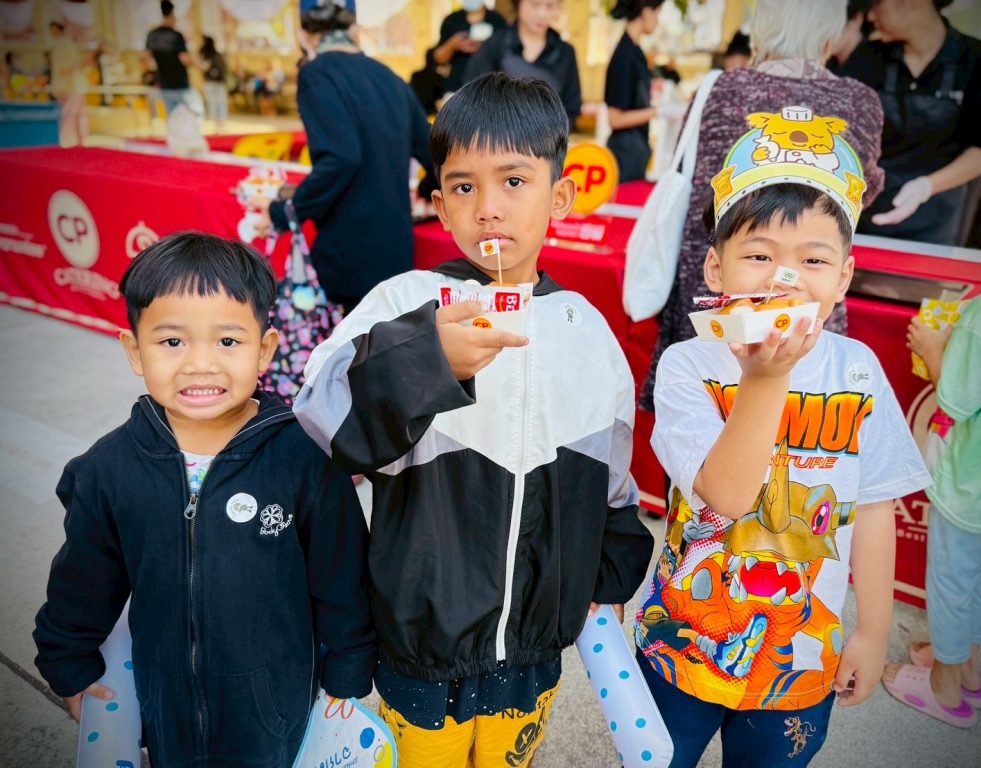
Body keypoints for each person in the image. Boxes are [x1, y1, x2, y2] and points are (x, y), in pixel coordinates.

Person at [293, 73, 654, 766]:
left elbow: (612, 477)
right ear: (438, 205)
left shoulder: (585, 329)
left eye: (514, 181)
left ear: (561, 195)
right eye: (463, 187)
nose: (488, 208)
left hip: (535, 650)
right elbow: (320, 417)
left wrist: (604, 579)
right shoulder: (406, 300)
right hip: (419, 647)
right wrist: (426, 359)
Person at [634, 111, 931, 767]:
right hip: (686, 636)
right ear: (716, 269)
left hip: (799, 653)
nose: (784, 278)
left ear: (844, 278)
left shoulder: (858, 370)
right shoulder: (688, 365)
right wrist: (765, 378)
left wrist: (872, 632)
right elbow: (724, 496)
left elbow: (874, 506)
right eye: (760, 255)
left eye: (813, 260)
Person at [33, 233, 375, 766]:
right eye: (172, 341)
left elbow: (341, 575)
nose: (200, 364)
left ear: (265, 349)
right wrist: (67, 664)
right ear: (134, 350)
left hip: (275, 708)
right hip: (164, 703)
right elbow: (83, 579)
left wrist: (350, 667)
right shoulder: (109, 470)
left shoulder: (302, 460)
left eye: (228, 341)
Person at [641, 0, 885, 415]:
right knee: (806, 415)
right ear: (831, 35)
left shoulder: (723, 89)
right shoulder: (861, 102)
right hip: (807, 287)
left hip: (729, 279)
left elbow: (699, 183)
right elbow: (859, 194)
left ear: (759, 32)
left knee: (704, 408)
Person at [884, 162, 981, 727]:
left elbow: (959, 400)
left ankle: (944, 687)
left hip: (970, 481)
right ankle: (965, 665)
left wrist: (933, 348)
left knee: (950, 579)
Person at [253, 3, 433, 314]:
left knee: (348, 340)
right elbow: (434, 149)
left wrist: (285, 211)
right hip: (395, 243)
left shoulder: (317, 73)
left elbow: (340, 158)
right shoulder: (387, 75)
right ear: (353, 32)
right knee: (384, 336)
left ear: (305, 36)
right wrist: (430, 188)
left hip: (349, 243)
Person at [840, 0, 981, 245]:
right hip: (862, 210)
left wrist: (926, 187)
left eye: (877, 3)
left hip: (934, 218)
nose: (871, 16)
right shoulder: (866, 56)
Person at [463, 0, 582, 129]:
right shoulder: (495, 44)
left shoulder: (565, 52)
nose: (542, 14)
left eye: (550, 6)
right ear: (518, 3)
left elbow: (572, 107)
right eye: (535, 4)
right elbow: (471, 95)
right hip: (497, 135)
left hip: (548, 137)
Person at [604, 0, 665, 182]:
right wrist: (657, 112)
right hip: (624, 155)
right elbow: (615, 119)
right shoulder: (624, 56)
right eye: (658, 13)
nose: (658, 20)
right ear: (646, 11)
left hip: (635, 152)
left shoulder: (635, 52)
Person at [426, 0, 508, 104]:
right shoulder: (452, 20)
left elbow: (507, 56)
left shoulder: (497, 21)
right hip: (456, 90)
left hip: (491, 91)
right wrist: (453, 44)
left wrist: (484, 47)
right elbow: (438, 58)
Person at [144, 0, 193, 120]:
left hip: (164, 83)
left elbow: (146, 58)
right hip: (180, 83)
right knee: (185, 116)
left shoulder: (152, 35)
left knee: (172, 117)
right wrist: (193, 63)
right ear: (172, 14)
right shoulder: (176, 35)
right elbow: (185, 59)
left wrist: (155, 74)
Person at [49, 20, 89, 146]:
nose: (52, 32)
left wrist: (62, 85)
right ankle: (79, 139)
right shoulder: (62, 44)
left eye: (54, 29)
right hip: (71, 85)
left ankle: (71, 140)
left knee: (70, 113)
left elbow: (67, 67)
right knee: (76, 114)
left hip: (71, 85)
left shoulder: (64, 44)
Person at [826, 0, 873, 72]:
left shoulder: (866, 71)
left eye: (836, 25)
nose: (827, 33)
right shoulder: (831, 65)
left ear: (857, 19)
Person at [199, 35, 228, 132]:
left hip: (211, 81)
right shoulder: (217, 55)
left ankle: (217, 123)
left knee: (213, 102)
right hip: (220, 81)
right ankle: (221, 123)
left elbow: (204, 67)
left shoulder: (206, 55)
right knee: (221, 102)